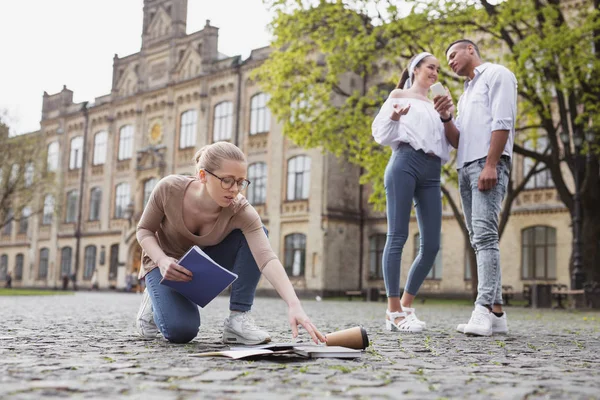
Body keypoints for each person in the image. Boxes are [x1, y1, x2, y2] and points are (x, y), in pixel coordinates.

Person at [135, 141, 326, 345]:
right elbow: (144, 230)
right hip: (162, 263)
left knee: (258, 232)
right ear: (203, 176)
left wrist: (294, 304)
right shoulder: (169, 188)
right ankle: (153, 298)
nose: (235, 189)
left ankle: (238, 321)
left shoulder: (240, 210)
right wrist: (162, 261)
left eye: (240, 182)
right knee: (181, 331)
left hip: (198, 267)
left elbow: (267, 258)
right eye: (227, 180)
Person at [434, 39, 517, 336]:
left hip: (487, 164)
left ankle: (481, 308)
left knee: (484, 236)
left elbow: (503, 121)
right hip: (465, 167)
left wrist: (491, 164)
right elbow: (459, 140)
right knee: (478, 237)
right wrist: (446, 117)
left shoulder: (498, 74)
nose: (451, 61)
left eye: (453, 54)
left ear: (471, 50)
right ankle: (497, 313)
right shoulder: (466, 94)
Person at [372, 52, 452, 333]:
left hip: (432, 172)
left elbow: (450, 144)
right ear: (415, 69)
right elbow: (380, 134)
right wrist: (393, 116)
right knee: (397, 235)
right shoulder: (399, 94)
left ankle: (406, 306)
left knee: (431, 244)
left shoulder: (436, 104)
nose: (435, 73)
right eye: (431, 67)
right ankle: (393, 311)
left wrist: (446, 116)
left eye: (438, 69)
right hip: (404, 162)